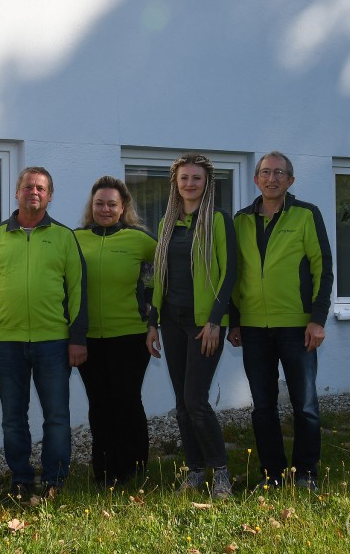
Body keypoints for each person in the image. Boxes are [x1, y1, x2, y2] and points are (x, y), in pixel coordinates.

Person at [0, 166, 87, 498]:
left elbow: (77, 290)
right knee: (12, 418)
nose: (33, 192)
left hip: (54, 341)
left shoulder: (65, 237)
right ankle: (21, 479)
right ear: (16, 192)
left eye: (40, 188)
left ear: (49, 196)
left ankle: (54, 480)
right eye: (27, 187)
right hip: (6, 342)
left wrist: (77, 338)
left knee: (56, 416)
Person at [228, 151, 333, 491]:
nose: (272, 178)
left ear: (291, 180)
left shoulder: (306, 215)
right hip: (255, 329)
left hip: (297, 327)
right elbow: (233, 275)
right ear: (255, 179)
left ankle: (306, 474)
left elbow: (323, 268)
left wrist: (317, 319)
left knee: (305, 405)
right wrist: (235, 321)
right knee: (263, 407)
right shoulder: (240, 220)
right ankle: (272, 475)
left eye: (279, 173)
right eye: (265, 172)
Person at [146, 153, 236, 499]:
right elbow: (159, 276)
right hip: (171, 320)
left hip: (204, 324)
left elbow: (229, 274)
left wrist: (216, 321)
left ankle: (222, 472)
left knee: (196, 400)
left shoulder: (217, 220)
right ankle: (196, 470)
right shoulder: (165, 224)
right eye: (184, 178)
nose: (190, 184)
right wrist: (152, 322)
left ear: (207, 183)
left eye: (196, 178)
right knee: (183, 404)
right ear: (175, 183)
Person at [74, 176, 157, 488]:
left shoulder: (140, 239)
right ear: (91, 206)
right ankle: (104, 472)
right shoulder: (76, 238)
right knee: (99, 404)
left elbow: (162, 273)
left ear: (123, 208)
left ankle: (133, 470)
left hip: (130, 336)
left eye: (112, 204)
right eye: (99, 203)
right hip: (89, 337)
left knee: (126, 401)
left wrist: (151, 307)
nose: (105, 209)